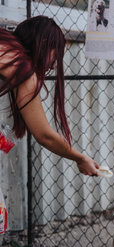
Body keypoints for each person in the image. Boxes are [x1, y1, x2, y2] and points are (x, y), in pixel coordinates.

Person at [0, 16, 99, 176]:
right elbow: (45, 135)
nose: (53, 64)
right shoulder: (21, 66)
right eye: (56, 54)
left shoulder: (5, 43)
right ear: (44, 44)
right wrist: (80, 158)